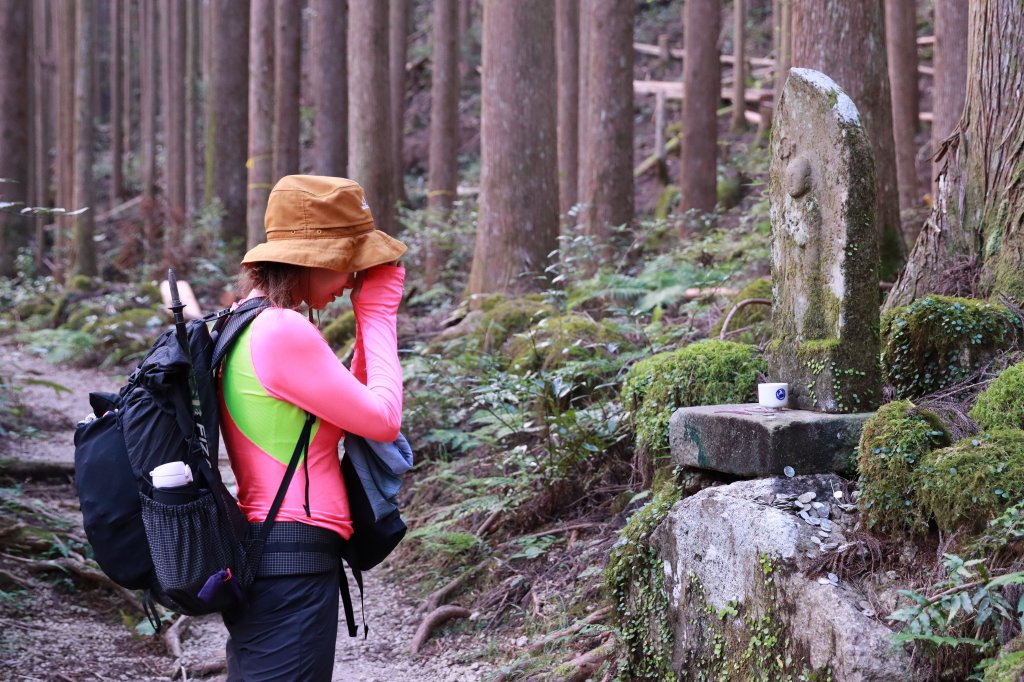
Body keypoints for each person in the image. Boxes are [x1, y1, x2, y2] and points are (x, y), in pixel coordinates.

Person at [219, 175, 406, 681]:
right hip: (292, 562)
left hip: (271, 553)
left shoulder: (245, 320)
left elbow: (354, 406)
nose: (351, 280)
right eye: (349, 263)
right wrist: (379, 314)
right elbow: (384, 420)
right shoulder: (283, 330)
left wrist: (368, 318)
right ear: (314, 257)